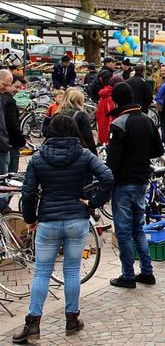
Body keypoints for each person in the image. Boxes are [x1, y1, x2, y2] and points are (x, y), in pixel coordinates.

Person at [14, 114, 113, 343]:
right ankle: (71, 319)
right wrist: (93, 202)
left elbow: (28, 193)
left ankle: (33, 323)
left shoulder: (38, 158)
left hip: (48, 219)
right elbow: (107, 176)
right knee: (71, 270)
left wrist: (30, 219)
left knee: (41, 271)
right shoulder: (83, 154)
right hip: (76, 219)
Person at [107, 82, 164, 289]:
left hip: (123, 182)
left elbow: (112, 161)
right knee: (138, 228)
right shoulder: (147, 120)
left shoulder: (119, 123)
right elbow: (158, 150)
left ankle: (128, 275)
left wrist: (105, 185)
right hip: (141, 180)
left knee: (123, 231)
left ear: (116, 100)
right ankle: (147, 271)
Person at [56, 89, 98, 156]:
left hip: (59, 151)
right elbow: (88, 138)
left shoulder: (57, 114)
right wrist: (94, 155)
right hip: (77, 152)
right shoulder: (81, 115)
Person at [2, 73, 26, 173]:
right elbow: (12, 125)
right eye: (16, 86)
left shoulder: (3, 99)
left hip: (5, 143)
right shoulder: (9, 102)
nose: (18, 90)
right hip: (9, 144)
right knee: (9, 174)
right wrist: (20, 141)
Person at [95, 75, 125, 145]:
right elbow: (112, 117)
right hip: (108, 132)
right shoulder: (111, 98)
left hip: (103, 129)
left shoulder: (104, 95)